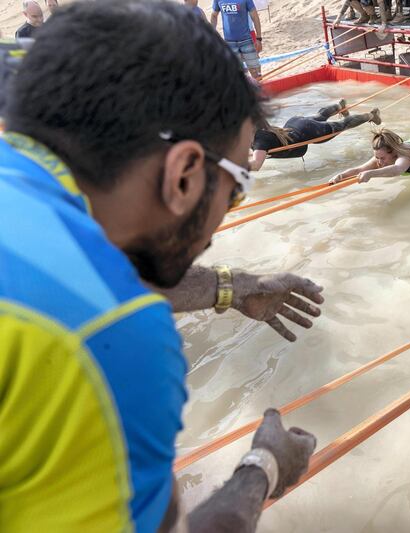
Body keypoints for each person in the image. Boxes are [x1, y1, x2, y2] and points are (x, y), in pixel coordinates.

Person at [0, 2, 322, 531]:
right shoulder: (121, 339)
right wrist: (262, 469)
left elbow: (84, 276)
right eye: (237, 188)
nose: (226, 217)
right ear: (185, 173)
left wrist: (234, 287)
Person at [250, 100, 381, 170]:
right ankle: (337, 106)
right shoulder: (263, 130)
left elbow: (256, 165)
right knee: (319, 116)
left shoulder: (260, 141)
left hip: (309, 131)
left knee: (342, 125)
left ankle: (371, 115)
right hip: (295, 123)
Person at [210, 0, 262, 78]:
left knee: (256, 73)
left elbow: (254, 16)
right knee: (236, 75)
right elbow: (214, 15)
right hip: (230, 43)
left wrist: (258, 38)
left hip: (246, 40)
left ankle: (259, 88)